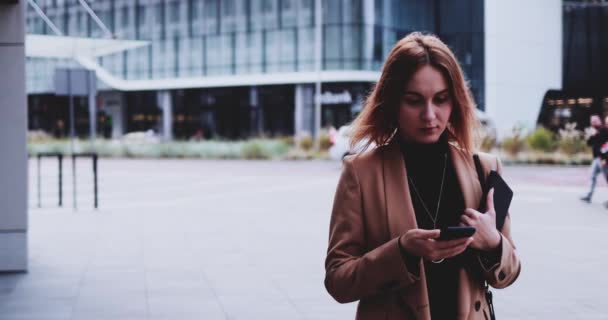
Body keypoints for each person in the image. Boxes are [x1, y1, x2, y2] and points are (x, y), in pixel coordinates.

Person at [324, 32, 521, 319]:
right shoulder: (361, 173)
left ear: (455, 101)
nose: (430, 115)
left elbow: (509, 272)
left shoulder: (486, 169)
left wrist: (493, 243)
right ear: (392, 102)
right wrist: (402, 251)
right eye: (414, 101)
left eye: (441, 99)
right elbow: (338, 280)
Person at [580, 114, 608, 203]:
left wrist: (604, 158)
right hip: (596, 159)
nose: (593, 123)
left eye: (595, 121)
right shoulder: (594, 131)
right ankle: (588, 195)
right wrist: (591, 135)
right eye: (592, 121)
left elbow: (605, 146)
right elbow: (589, 143)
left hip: (603, 159)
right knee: (592, 176)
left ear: (599, 120)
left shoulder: (604, 130)